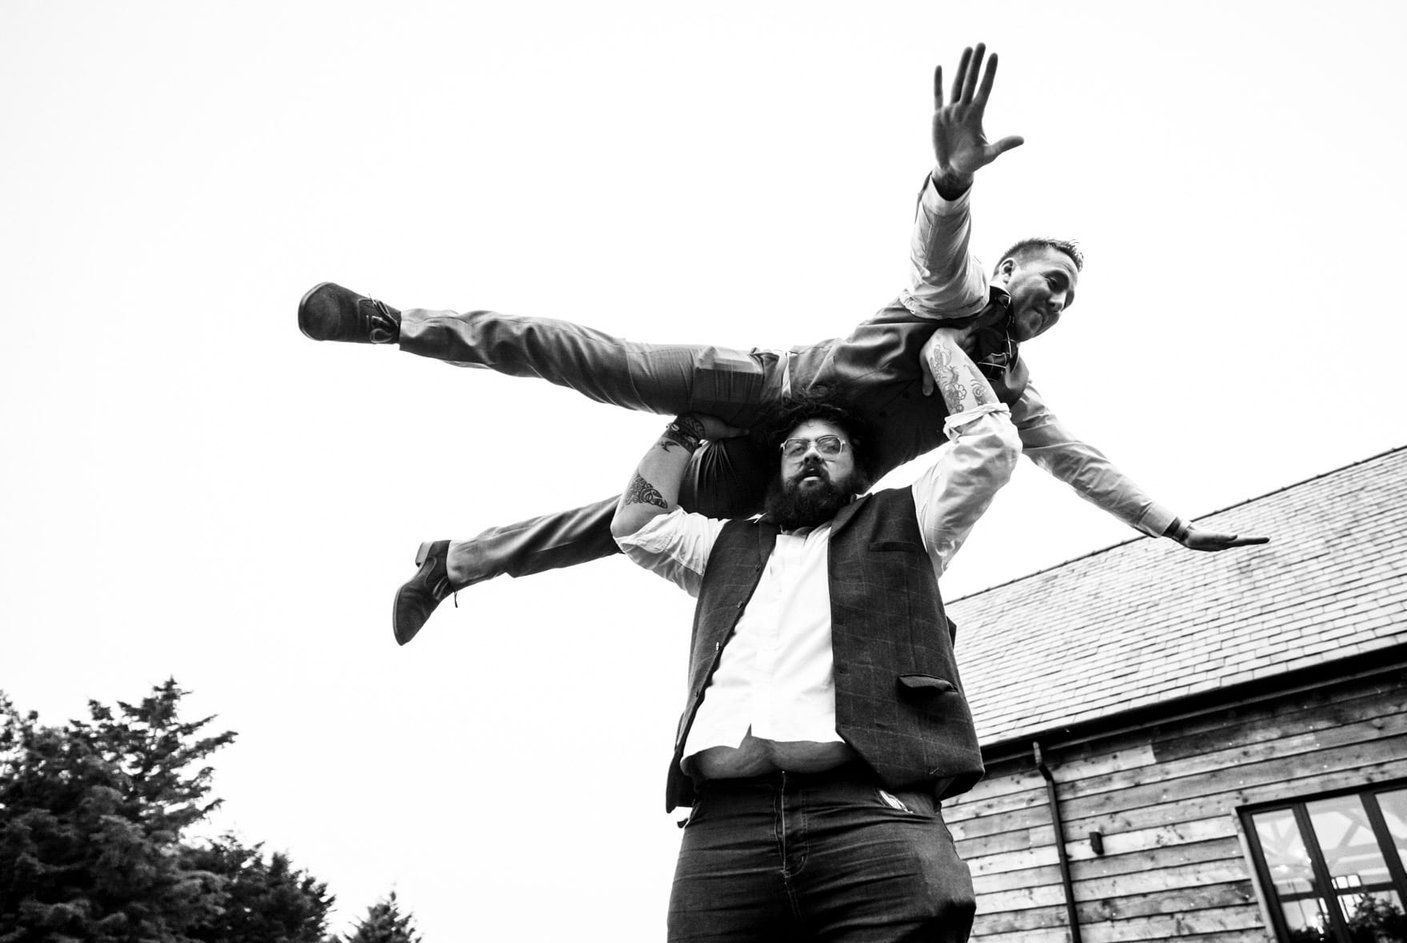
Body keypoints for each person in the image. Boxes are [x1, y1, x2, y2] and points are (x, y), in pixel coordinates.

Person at [296, 43, 1266, 645]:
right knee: (602, 363)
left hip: (786, 466)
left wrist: (1169, 525)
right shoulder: (956, 292)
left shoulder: (1009, 392)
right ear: (1008, 272)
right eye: (1045, 277)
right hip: (761, 389)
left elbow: (1079, 463)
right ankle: (393, 324)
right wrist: (952, 180)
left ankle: (454, 559)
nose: (1052, 298)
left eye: (1067, 295)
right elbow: (938, 239)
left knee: (626, 520)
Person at [609, 325, 1015, 943]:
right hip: (721, 836)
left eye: (831, 447)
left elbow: (988, 447)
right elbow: (634, 524)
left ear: (859, 468)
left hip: (869, 818)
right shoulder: (726, 547)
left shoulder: (907, 521)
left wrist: (935, 348)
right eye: (797, 447)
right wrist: (686, 430)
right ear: (775, 468)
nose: (810, 456)